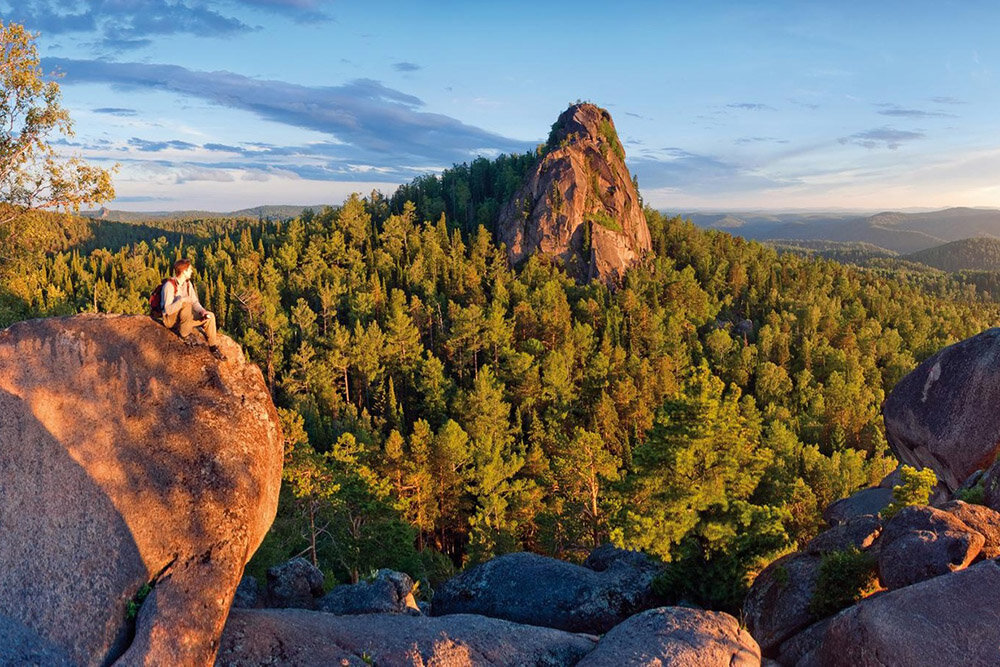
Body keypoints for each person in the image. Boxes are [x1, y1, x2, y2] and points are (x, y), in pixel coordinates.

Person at [160, 258, 227, 361]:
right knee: (186, 304)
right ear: (183, 271)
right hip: (170, 320)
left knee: (210, 316)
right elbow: (168, 310)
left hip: (184, 319)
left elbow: (195, 302)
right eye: (190, 269)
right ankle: (185, 334)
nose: (192, 271)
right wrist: (181, 301)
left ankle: (213, 347)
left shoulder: (187, 284)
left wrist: (202, 312)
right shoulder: (169, 286)